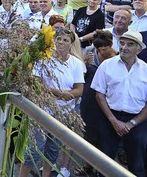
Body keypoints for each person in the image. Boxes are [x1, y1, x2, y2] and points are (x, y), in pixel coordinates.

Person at [19, 28, 84, 177]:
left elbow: (79, 89)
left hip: (64, 113)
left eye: (65, 40)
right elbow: (37, 83)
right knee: (34, 150)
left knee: (53, 149)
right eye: (58, 39)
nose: (61, 42)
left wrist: (67, 95)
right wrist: (59, 93)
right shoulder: (44, 58)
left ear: (71, 44)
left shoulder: (76, 64)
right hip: (44, 110)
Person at [91, 30, 147, 177]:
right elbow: (99, 95)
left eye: (130, 44)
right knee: (105, 160)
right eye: (122, 43)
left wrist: (131, 124)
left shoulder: (146, 70)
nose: (124, 47)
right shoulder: (107, 65)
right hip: (109, 116)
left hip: (137, 119)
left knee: (137, 164)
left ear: (139, 49)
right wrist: (113, 120)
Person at [76, 30, 116, 176]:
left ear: (111, 45)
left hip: (107, 101)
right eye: (98, 49)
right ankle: (87, 165)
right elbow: (80, 75)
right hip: (89, 100)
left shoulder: (117, 57)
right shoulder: (90, 52)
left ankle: (102, 169)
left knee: (105, 137)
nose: (101, 52)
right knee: (89, 135)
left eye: (104, 49)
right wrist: (85, 63)